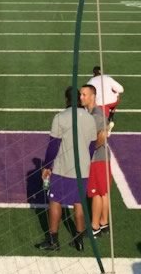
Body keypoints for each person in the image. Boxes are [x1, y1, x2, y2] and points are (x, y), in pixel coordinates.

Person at [35, 85, 96, 252]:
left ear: (67, 99)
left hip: (63, 167)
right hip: (82, 168)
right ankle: (79, 239)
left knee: (55, 201)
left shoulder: (60, 117)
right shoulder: (90, 119)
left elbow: (53, 145)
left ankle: (53, 240)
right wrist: (85, 162)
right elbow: (92, 146)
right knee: (79, 202)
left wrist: (47, 166)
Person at [85, 86, 112, 237]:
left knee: (96, 193)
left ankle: (94, 226)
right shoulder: (97, 114)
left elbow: (100, 138)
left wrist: (86, 151)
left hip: (97, 159)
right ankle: (104, 223)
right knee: (103, 193)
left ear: (92, 97)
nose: (81, 97)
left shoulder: (95, 116)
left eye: (84, 94)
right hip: (103, 158)